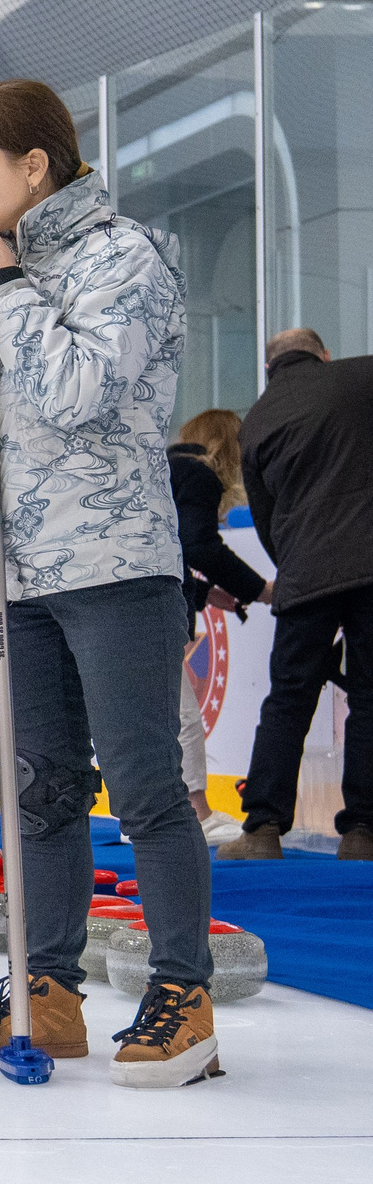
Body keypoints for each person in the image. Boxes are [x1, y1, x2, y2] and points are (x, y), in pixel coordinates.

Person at [0, 78, 222, 1089]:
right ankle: (45, 984)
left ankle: (185, 993)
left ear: (32, 166)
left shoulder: (121, 257)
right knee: (36, 787)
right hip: (13, 573)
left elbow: (79, 391)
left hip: (113, 564)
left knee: (143, 787)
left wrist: (3, 291)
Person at [226, 328, 373, 861]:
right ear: (324, 354)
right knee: (370, 698)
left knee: (288, 700)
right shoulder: (362, 375)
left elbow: (267, 522)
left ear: (270, 370)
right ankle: (362, 833)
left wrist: (298, 568)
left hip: (307, 572)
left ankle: (263, 828)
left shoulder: (258, 419)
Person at [168, 408, 267, 845]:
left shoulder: (168, 470)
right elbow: (198, 546)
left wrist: (208, 595)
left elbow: (170, 554)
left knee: (159, 717)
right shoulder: (198, 474)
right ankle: (196, 811)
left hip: (127, 611)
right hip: (155, 617)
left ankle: (158, 816)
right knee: (184, 716)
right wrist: (260, 588)